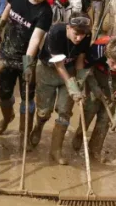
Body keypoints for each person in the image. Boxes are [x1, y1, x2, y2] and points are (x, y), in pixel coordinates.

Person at [0, 0, 55, 136]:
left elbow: (35, 39)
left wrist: (27, 64)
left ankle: (24, 133)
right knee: (3, 94)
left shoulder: (45, 12)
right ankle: (7, 118)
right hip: (7, 53)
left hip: (27, 59)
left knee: (27, 97)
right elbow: (8, 8)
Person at [28, 16, 91, 164]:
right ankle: (38, 127)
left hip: (69, 70)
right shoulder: (56, 32)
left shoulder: (86, 36)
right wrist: (71, 85)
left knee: (65, 112)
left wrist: (79, 82)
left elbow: (80, 60)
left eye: (83, 34)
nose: (79, 37)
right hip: (47, 70)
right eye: (76, 33)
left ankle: (56, 150)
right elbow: (59, 65)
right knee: (44, 111)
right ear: (68, 28)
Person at [74, 35, 116, 161]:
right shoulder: (97, 49)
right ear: (106, 55)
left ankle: (95, 149)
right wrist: (93, 86)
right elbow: (84, 69)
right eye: (113, 62)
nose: (115, 66)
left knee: (106, 117)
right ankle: (79, 136)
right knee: (89, 109)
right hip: (95, 74)